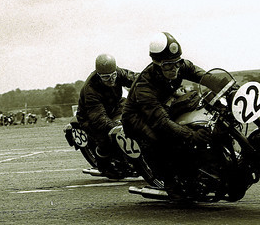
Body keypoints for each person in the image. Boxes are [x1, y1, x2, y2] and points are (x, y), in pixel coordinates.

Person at [122, 32, 221, 198]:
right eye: (168, 65)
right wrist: (191, 136)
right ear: (157, 64)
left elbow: (206, 77)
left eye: (177, 63)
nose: (174, 68)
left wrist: (233, 90)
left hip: (161, 105)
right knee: (161, 139)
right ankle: (170, 182)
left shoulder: (181, 65)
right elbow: (161, 121)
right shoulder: (144, 85)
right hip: (137, 117)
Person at [76, 54, 137, 168]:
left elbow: (138, 79)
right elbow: (99, 118)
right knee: (106, 140)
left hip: (114, 106)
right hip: (90, 116)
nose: (111, 80)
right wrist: (117, 128)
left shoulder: (119, 73)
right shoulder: (90, 89)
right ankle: (103, 166)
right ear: (99, 76)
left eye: (113, 75)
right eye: (106, 77)